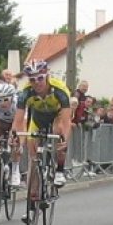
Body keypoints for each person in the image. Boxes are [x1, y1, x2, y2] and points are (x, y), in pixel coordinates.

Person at [11, 59, 71, 201]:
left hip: (57, 116)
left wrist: (65, 141)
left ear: (47, 76)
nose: (36, 82)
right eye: (32, 80)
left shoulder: (60, 90)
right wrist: (16, 138)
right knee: (33, 156)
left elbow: (66, 120)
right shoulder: (25, 92)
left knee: (60, 133)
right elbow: (18, 121)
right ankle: (33, 196)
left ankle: (60, 170)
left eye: (40, 78)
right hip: (37, 118)